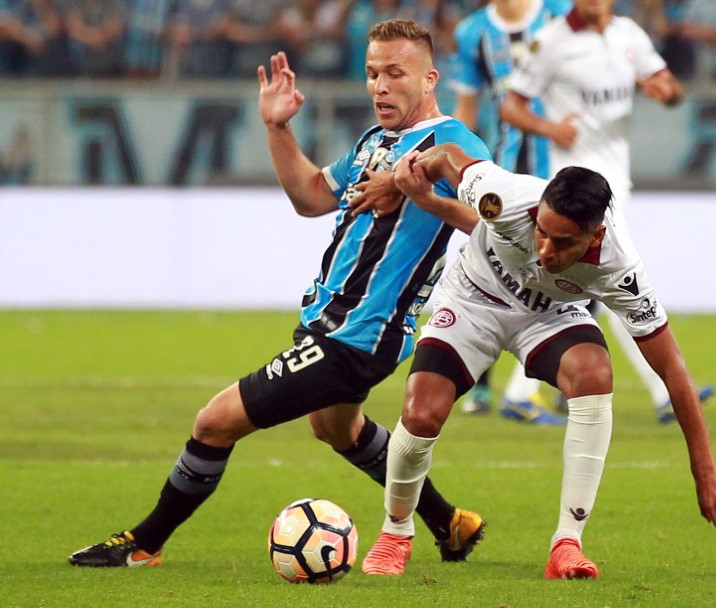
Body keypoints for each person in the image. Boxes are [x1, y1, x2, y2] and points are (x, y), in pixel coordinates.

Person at [68, 19, 493, 569]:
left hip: (359, 333)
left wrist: (420, 194)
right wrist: (277, 128)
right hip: (330, 323)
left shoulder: (454, 143)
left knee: (214, 422)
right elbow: (313, 196)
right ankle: (450, 523)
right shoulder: (374, 142)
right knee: (337, 428)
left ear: (430, 78)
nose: (379, 86)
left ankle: (144, 543)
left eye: (395, 73)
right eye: (370, 74)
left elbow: (492, 219)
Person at [360, 143, 716, 578]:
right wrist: (398, 183)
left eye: (563, 242)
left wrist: (705, 470)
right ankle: (395, 532)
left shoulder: (619, 270)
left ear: (595, 236)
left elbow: (672, 368)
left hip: (549, 315)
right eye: (541, 232)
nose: (545, 249)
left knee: (594, 374)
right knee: (422, 413)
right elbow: (447, 156)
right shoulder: (504, 195)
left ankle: (567, 543)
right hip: (472, 301)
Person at [499, 0, 714, 424]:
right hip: (577, 188)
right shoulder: (552, 41)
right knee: (625, 284)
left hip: (618, 181)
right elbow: (511, 105)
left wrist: (665, 91)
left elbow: (670, 86)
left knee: (594, 289)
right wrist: (550, 128)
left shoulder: (629, 35)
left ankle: (519, 393)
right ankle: (667, 392)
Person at [449, 0, 571, 424]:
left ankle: (551, 384)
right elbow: (466, 107)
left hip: (565, 165)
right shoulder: (472, 33)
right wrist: (455, 164)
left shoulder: (562, 12)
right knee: (487, 270)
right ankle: (480, 385)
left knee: (570, 271)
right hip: (508, 167)